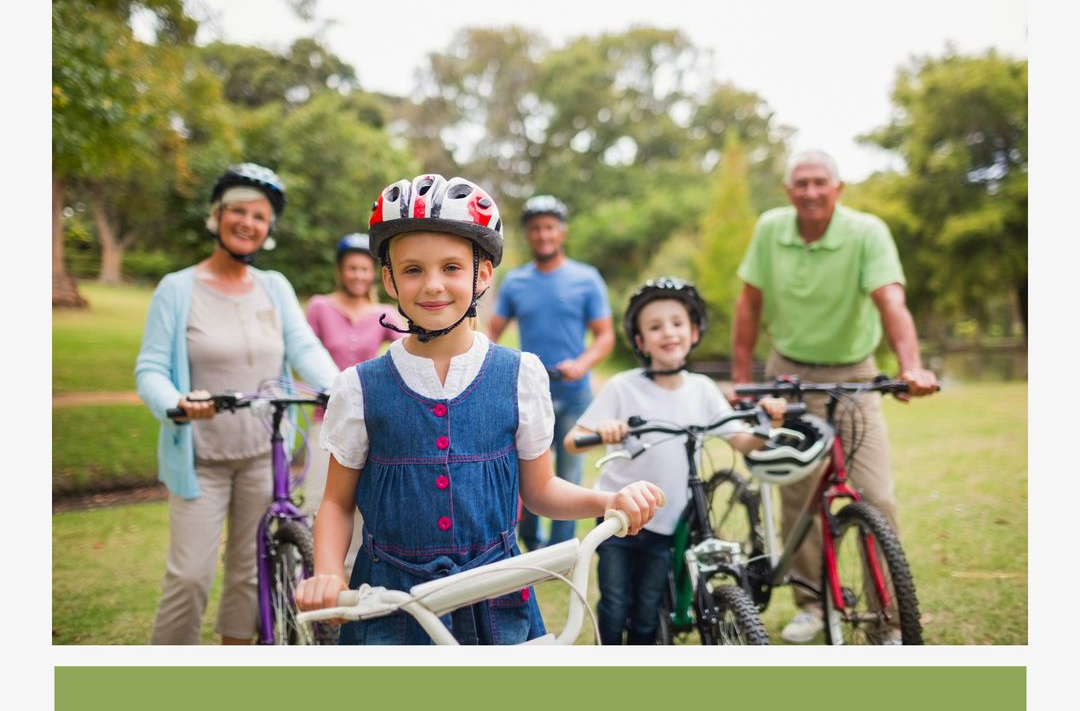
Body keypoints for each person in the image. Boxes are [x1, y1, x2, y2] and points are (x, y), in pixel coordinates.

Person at [294, 173, 662, 646]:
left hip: (498, 599)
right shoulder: (360, 388)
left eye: (451, 267)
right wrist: (328, 573)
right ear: (388, 278)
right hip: (391, 604)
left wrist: (605, 500)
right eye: (412, 270)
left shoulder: (519, 375)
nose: (432, 286)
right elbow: (337, 503)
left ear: (482, 274)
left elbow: (541, 489)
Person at [732, 149, 937, 644]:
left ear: (838, 189)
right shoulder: (770, 230)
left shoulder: (867, 233)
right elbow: (749, 305)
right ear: (787, 192)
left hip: (854, 373)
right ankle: (811, 603)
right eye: (800, 183)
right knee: (798, 497)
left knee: (875, 494)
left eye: (820, 182)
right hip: (788, 377)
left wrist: (910, 366)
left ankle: (885, 617)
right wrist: (741, 379)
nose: (810, 192)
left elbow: (891, 301)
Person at [135, 163, 338, 645]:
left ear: (268, 229)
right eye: (238, 211)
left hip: (261, 457)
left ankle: (237, 663)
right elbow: (149, 370)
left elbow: (304, 347)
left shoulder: (275, 287)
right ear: (216, 216)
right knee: (189, 576)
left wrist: (340, 386)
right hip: (200, 459)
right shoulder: (177, 289)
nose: (247, 222)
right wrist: (179, 402)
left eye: (259, 216)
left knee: (251, 575)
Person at [566, 279, 785, 645]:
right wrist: (605, 429)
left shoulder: (701, 389)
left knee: (649, 606)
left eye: (678, 323)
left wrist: (768, 422)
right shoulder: (624, 386)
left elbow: (743, 441)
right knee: (616, 602)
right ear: (640, 341)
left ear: (694, 331)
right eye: (655, 327)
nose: (668, 332)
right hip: (617, 517)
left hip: (665, 521)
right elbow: (573, 442)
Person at [488, 194, 614, 550]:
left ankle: (563, 554)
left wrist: (582, 363)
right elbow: (491, 331)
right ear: (528, 235)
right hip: (528, 395)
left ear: (562, 232)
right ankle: (532, 545)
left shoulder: (586, 279)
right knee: (527, 476)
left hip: (575, 394)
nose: (543, 235)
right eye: (536, 230)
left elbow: (605, 336)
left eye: (549, 228)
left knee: (569, 474)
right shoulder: (515, 282)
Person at [304, 233, 405, 566]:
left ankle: (346, 575)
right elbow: (303, 353)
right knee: (319, 498)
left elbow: (412, 342)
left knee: (361, 505)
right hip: (325, 417)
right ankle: (310, 569)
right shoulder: (320, 307)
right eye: (352, 269)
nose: (358, 275)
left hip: (368, 419)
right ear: (340, 271)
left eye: (364, 269)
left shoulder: (383, 312)